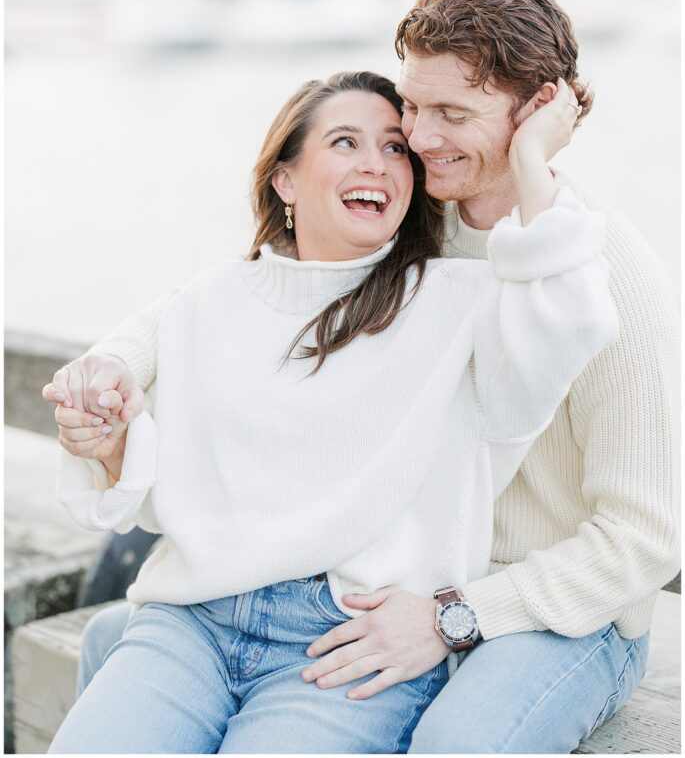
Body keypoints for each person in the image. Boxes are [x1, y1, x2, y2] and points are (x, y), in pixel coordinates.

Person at [43, 66, 617, 755]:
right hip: (191, 619)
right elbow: (141, 391)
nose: (376, 162)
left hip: (347, 636)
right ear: (284, 178)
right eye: (344, 142)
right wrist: (106, 425)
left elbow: (571, 318)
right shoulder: (213, 298)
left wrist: (528, 159)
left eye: (394, 148)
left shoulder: (462, 298)